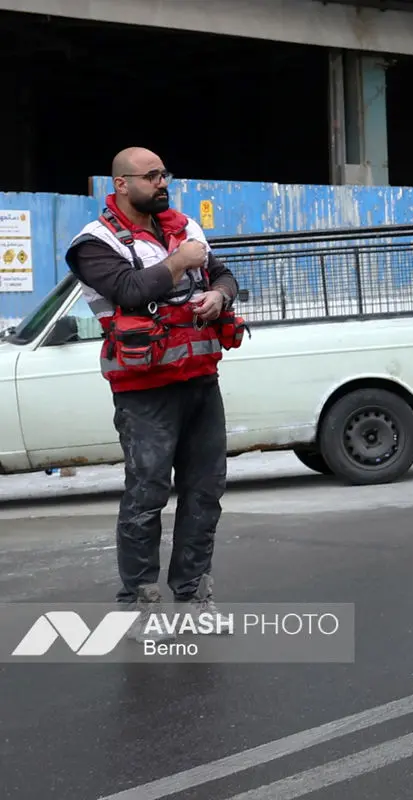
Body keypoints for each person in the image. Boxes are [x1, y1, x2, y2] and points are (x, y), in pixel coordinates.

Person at [64, 147, 243, 642]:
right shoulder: (94, 243)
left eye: (164, 174)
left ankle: (194, 596)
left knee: (205, 492)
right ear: (121, 184)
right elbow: (128, 290)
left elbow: (223, 273)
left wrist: (218, 295)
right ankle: (139, 604)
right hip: (145, 392)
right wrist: (180, 262)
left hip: (200, 380)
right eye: (151, 176)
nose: (162, 182)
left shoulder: (183, 227)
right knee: (146, 496)